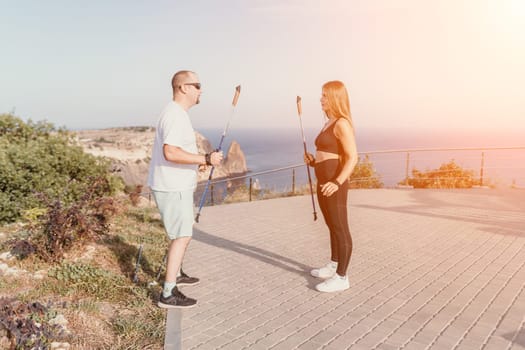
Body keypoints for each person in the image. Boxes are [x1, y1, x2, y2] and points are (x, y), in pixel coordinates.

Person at [148, 70, 223, 308]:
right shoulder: (174, 115)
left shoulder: (177, 113)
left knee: (183, 232)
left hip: (176, 184)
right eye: (197, 85)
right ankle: (168, 293)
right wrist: (206, 158)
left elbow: (177, 153)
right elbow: (170, 152)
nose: (201, 90)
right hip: (173, 187)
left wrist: (199, 162)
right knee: (182, 236)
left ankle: (176, 273)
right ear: (183, 88)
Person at [304, 80, 358, 293]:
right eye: (322, 95)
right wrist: (313, 161)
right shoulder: (329, 122)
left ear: (335, 98)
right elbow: (328, 154)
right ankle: (334, 264)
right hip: (323, 182)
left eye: (325, 96)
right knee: (331, 225)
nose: (321, 99)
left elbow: (353, 157)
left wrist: (337, 182)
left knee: (341, 228)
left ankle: (342, 277)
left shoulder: (342, 123)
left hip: (334, 184)